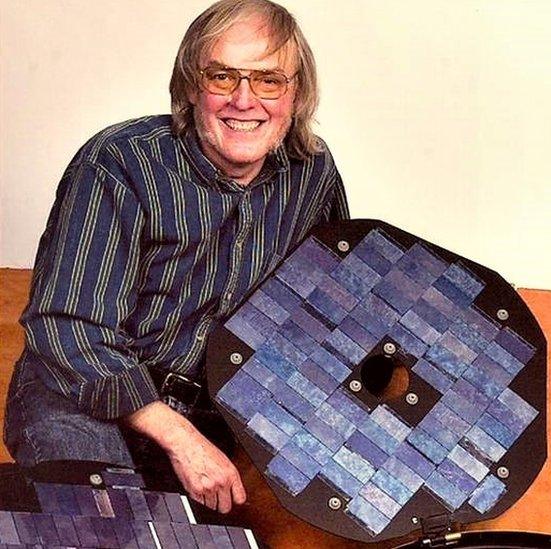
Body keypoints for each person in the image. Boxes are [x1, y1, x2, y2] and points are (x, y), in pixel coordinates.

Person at [3, 0, 348, 515]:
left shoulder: (312, 174)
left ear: (296, 94)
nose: (244, 100)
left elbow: (330, 312)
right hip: (80, 399)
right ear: (191, 86)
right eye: (222, 77)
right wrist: (182, 440)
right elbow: (68, 327)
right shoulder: (119, 162)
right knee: (111, 528)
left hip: (219, 416)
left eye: (269, 80)